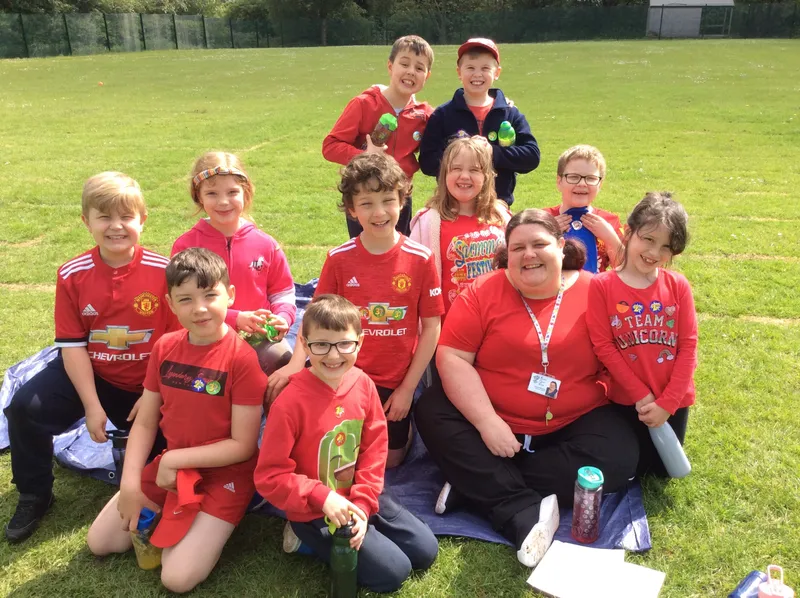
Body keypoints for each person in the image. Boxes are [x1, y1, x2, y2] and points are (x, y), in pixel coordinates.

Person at [415, 209, 639, 568]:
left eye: (539, 244)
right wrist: (488, 422)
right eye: (518, 247)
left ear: (562, 247)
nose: (528, 255)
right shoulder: (483, 290)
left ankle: (475, 482)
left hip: (569, 424)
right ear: (507, 253)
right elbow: (453, 357)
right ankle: (521, 509)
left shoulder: (595, 290)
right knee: (430, 408)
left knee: (619, 455)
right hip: (491, 424)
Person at [3, 172, 177, 543]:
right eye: (104, 217)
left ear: (143, 219)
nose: (116, 227)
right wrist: (92, 406)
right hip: (93, 373)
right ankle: (35, 492)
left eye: (126, 217)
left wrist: (153, 394)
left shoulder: (166, 272)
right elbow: (72, 346)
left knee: (168, 458)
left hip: (149, 383)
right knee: (25, 408)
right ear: (86, 222)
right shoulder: (72, 274)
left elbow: (177, 343)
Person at [86, 248, 267, 593]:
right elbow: (145, 422)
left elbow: (243, 446)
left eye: (210, 295)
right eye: (185, 299)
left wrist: (173, 459)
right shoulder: (165, 347)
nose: (199, 308)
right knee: (101, 541)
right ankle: (177, 509)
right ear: (169, 303)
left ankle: (216, 519)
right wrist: (130, 485)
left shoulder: (242, 360)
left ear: (230, 295)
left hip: (225, 476)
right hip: (173, 469)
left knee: (176, 577)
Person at [268, 153, 444, 469]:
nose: (379, 212)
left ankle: (398, 424)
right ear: (351, 209)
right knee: (333, 452)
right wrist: (297, 363)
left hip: (394, 380)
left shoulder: (421, 259)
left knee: (389, 463)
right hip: (340, 371)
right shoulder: (339, 258)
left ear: (402, 201)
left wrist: (406, 391)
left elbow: (431, 326)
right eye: (366, 204)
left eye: (388, 200)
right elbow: (313, 317)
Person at [254, 295, 438, 593]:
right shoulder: (289, 403)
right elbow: (269, 476)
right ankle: (304, 537)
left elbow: (374, 449)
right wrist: (322, 496)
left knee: (425, 551)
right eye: (321, 345)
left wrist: (364, 504)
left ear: (359, 342)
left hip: (358, 494)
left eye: (344, 344)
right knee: (394, 573)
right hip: (317, 508)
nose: (333, 356)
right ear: (303, 341)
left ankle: (365, 527)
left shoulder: (362, 384)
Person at [587, 192, 697, 476]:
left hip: (671, 401)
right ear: (628, 232)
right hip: (627, 399)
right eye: (647, 239)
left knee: (662, 472)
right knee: (630, 469)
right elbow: (603, 346)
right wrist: (640, 395)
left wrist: (668, 402)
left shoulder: (677, 285)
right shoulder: (602, 285)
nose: (653, 253)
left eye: (665, 247)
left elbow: (688, 346)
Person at [172, 151, 295, 375]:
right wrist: (234, 318)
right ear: (198, 196)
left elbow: (282, 291)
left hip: (259, 338)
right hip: (204, 336)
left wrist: (283, 317)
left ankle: (274, 410)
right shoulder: (187, 246)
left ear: (245, 193)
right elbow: (181, 303)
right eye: (212, 193)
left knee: (285, 365)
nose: (223, 201)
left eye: (232, 192)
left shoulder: (265, 244)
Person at [322, 35, 435, 237]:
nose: (411, 71)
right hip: (363, 195)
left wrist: (496, 101)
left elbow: (451, 129)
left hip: (398, 197)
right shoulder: (364, 104)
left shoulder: (424, 115)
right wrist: (363, 155)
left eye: (419, 68)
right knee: (363, 255)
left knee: (398, 255)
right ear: (390, 66)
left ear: (427, 76)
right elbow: (330, 146)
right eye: (404, 63)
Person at [418, 38, 540, 207]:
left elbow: (531, 156)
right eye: (470, 68)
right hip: (454, 208)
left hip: (498, 206)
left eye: (485, 68)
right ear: (459, 72)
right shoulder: (443, 114)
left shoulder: (509, 113)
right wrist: (461, 159)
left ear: (496, 73)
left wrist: (492, 152)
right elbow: (427, 162)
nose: (477, 74)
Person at [410, 136, 511, 316]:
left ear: (486, 177)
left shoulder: (502, 217)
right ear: (444, 175)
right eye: (456, 168)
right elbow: (414, 278)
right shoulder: (427, 222)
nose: (464, 176)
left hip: (498, 320)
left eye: (474, 170)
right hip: (450, 327)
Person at [543, 145, 624, 273]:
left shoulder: (609, 221)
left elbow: (624, 269)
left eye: (591, 178)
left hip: (595, 290)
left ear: (600, 184)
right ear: (559, 181)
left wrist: (610, 238)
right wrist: (545, 233)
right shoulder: (542, 218)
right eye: (573, 177)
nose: (582, 184)